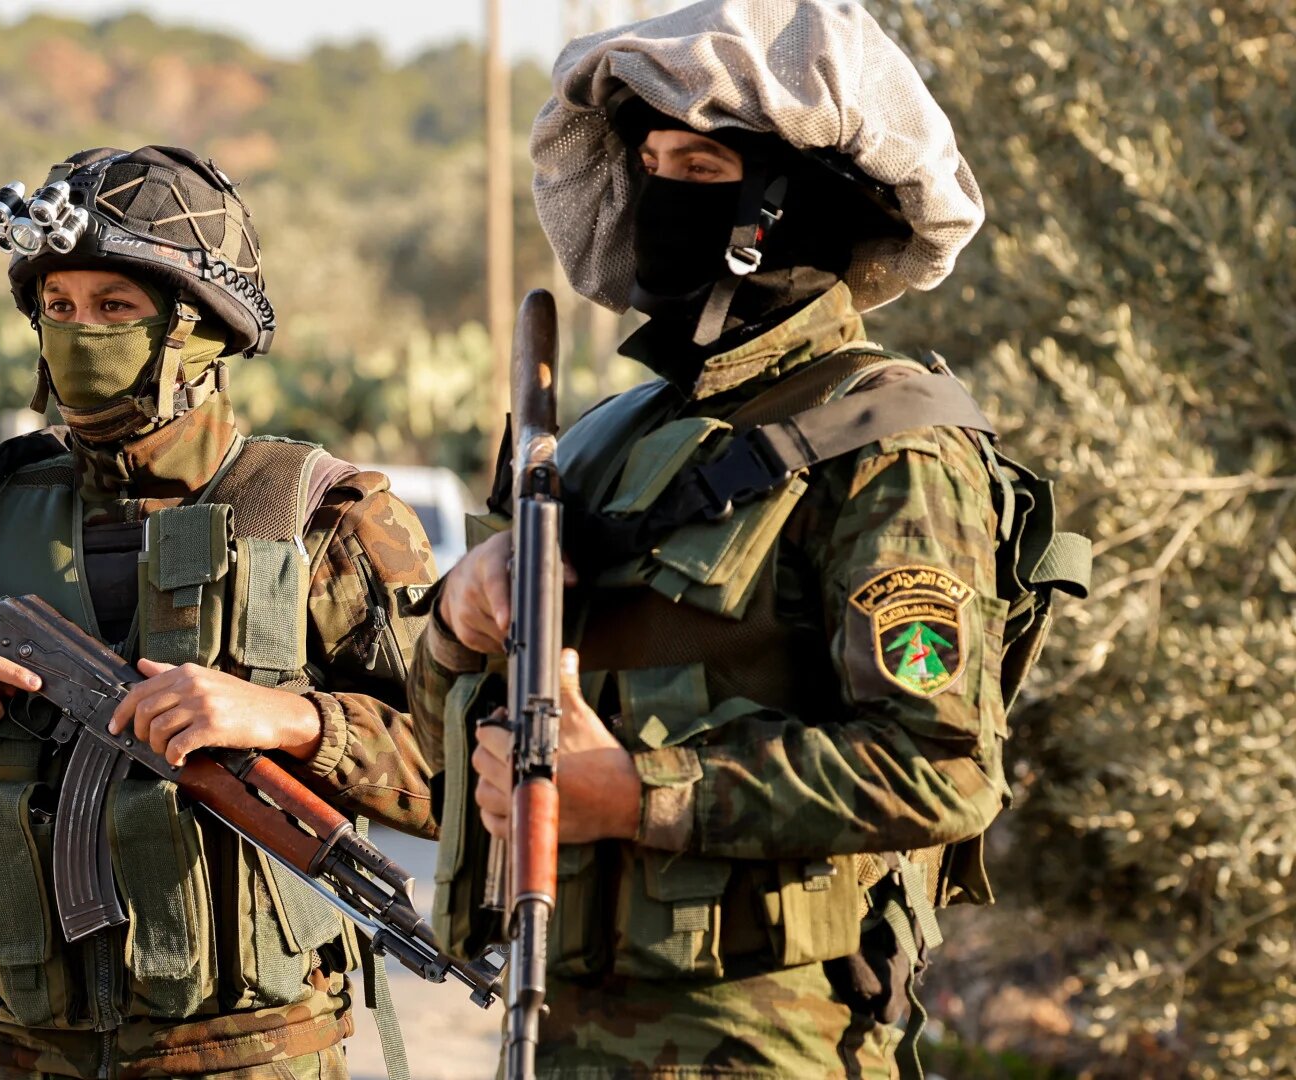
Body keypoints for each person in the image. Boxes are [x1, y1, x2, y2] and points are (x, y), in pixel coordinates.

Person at [410, 2, 1087, 1077]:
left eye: (702, 163)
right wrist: (454, 625)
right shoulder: (601, 440)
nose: (663, 190)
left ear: (796, 201)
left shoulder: (888, 444)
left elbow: (943, 770)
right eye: (654, 159)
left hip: (764, 1044)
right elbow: (440, 752)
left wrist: (637, 794)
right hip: (560, 1036)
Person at [0, 145, 439, 1080]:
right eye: (60, 307)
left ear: (193, 330)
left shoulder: (321, 517)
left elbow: (453, 780)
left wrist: (292, 718)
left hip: (249, 1054)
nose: (81, 334)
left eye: (116, 308)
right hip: (20, 1053)